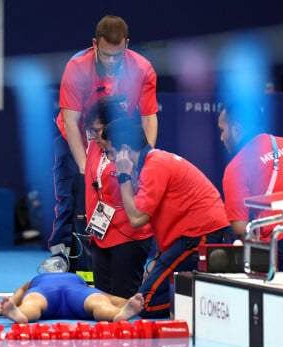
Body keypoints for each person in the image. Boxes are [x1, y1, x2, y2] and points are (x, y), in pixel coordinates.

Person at [50, 15, 158, 272]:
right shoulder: (76, 68)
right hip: (75, 136)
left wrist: (144, 160)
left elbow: (149, 119)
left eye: (117, 56)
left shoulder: (142, 69)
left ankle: (119, 253)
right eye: (105, 55)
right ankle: (61, 256)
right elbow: (70, 121)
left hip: (114, 138)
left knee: (120, 195)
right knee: (70, 198)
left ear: (127, 45)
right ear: (94, 44)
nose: (111, 62)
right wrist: (85, 168)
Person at [106, 117, 233, 318]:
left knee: (145, 303)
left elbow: (137, 219)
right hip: (197, 236)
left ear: (124, 149)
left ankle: (197, 296)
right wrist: (159, 258)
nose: (111, 160)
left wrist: (123, 177)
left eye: (111, 153)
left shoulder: (154, 165)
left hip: (203, 238)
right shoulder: (154, 162)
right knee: (147, 292)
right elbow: (166, 217)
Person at [217, 101, 283, 271]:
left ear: (236, 130)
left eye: (222, 130)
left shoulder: (237, 165)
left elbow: (241, 231)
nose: (222, 137)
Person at [84, 95, 153, 298]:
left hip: (129, 236)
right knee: (102, 300)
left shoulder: (134, 155)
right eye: (91, 130)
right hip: (100, 234)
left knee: (124, 299)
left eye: (98, 131)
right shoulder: (95, 149)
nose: (94, 135)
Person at [0, 272, 144, 323]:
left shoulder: (34, 281)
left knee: (31, 303)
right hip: (76, 293)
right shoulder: (77, 279)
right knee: (98, 302)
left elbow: (10, 302)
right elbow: (110, 297)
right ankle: (116, 315)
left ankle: (21, 315)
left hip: (47, 292)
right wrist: (124, 304)